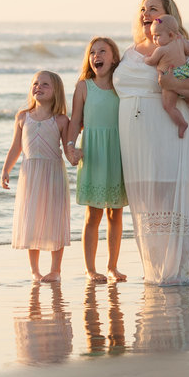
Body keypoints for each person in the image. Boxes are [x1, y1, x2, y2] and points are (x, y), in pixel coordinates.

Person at [114, 0, 189, 285]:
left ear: (168, 17)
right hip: (134, 142)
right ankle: (153, 270)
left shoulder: (182, 49)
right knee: (145, 203)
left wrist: (171, 82)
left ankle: (174, 272)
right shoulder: (130, 53)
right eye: (143, 9)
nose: (146, 13)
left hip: (168, 133)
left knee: (169, 199)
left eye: (153, 9)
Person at [0, 71, 73, 282]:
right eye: (35, 83)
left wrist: (76, 157)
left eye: (44, 84)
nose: (38, 87)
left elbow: (68, 149)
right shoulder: (23, 116)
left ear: (56, 91)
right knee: (31, 219)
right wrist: (6, 169)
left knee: (54, 219)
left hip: (54, 175)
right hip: (30, 175)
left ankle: (55, 270)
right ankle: (34, 270)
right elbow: (16, 147)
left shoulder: (60, 120)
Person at [66, 37, 128, 284]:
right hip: (93, 153)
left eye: (102, 51)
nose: (96, 56)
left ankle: (112, 266)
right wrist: (70, 148)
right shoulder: (84, 87)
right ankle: (90, 269)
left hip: (117, 152)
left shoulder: (121, 84)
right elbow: (74, 122)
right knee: (93, 214)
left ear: (114, 57)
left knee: (116, 213)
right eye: (92, 52)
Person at [145, 13, 189, 139]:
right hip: (186, 72)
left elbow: (151, 61)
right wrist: (183, 41)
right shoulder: (180, 42)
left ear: (171, 35)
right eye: (153, 36)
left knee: (168, 106)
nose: (155, 40)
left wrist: (146, 58)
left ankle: (182, 124)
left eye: (157, 36)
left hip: (171, 77)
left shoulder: (161, 50)